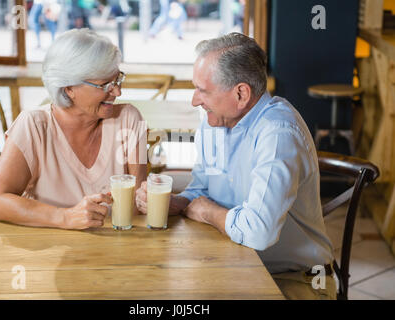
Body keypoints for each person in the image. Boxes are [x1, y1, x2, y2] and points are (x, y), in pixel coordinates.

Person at [135, 33, 337, 300]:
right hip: (237, 263)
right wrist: (177, 203)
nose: (194, 100)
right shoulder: (214, 121)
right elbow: (201, 189)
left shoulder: (277, 134)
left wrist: (207, 212)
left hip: (293, 278)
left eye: (203, 91)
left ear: (241, 93)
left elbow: (258, 233)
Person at [0, 29, 147, 230]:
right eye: (105, 85)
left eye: (117, 80)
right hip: (50, 254)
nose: (117, 91)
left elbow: (138, 206)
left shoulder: (130, 120)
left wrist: (150, 200)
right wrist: (65, 217)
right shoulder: (33, 126)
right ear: (68, 88)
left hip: (116, 252)